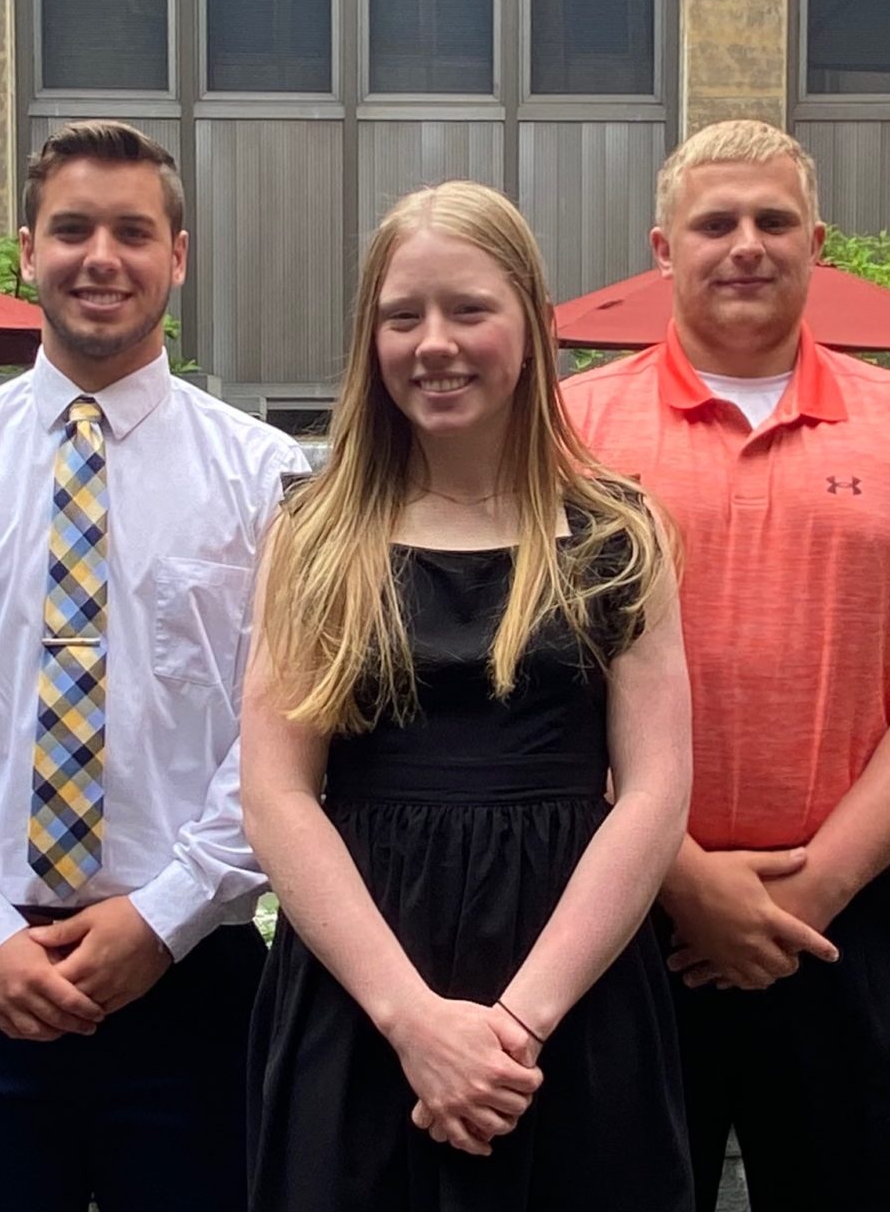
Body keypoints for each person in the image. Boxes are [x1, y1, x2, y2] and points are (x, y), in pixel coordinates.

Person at [562, 120, 890, 1211]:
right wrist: (679, 877)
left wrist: (818, 885)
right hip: (616, 922)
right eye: (714, 223)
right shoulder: (565, 428)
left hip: (853, 927)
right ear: (661, 248)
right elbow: (531, 686)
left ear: (816, 242)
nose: (746, 244)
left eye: (772, 220)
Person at [0, 120, 308, 1212]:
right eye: (72, 230)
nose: (102, 256)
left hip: (193, 979)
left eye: (133, 232)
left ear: (177, 257)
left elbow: (286, 729)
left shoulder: (264, 476)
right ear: (24, 250)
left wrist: (167, 914)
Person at [244, 180, 696, 1212]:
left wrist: (514, 1029)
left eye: (468, 310)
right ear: (371, 338)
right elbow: (276, 794)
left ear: (533, 328)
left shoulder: (619, 533)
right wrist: (413, 1021)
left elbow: (656, 790)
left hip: (569, 988)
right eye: (402, 316)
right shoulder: (310, 537)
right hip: (362, 989)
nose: (433, 343)